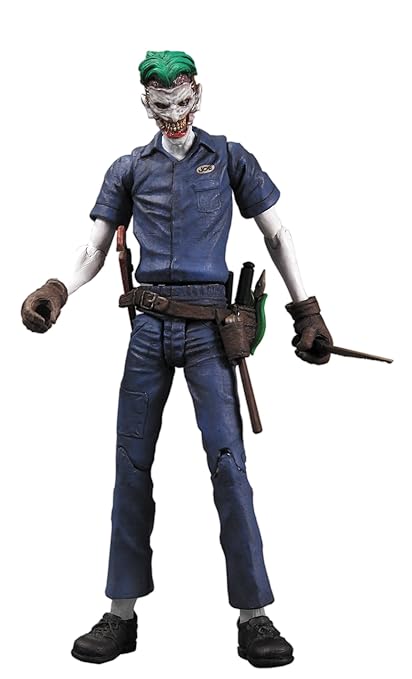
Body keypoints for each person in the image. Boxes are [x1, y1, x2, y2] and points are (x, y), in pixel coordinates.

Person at [21, 50, 332, 668]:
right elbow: (94, 245)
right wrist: (58, 288)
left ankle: (254, 615)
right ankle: (121, 613)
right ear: (146, 103)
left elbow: (277, 231)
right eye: (161, 103)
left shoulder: (229, 158)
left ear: (198, 95)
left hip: (211, 330)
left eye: (183, 100)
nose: (173, 113)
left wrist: (308, 309)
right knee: (130, 462)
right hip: (148, 330)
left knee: (228, 463)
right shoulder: (128, 168)